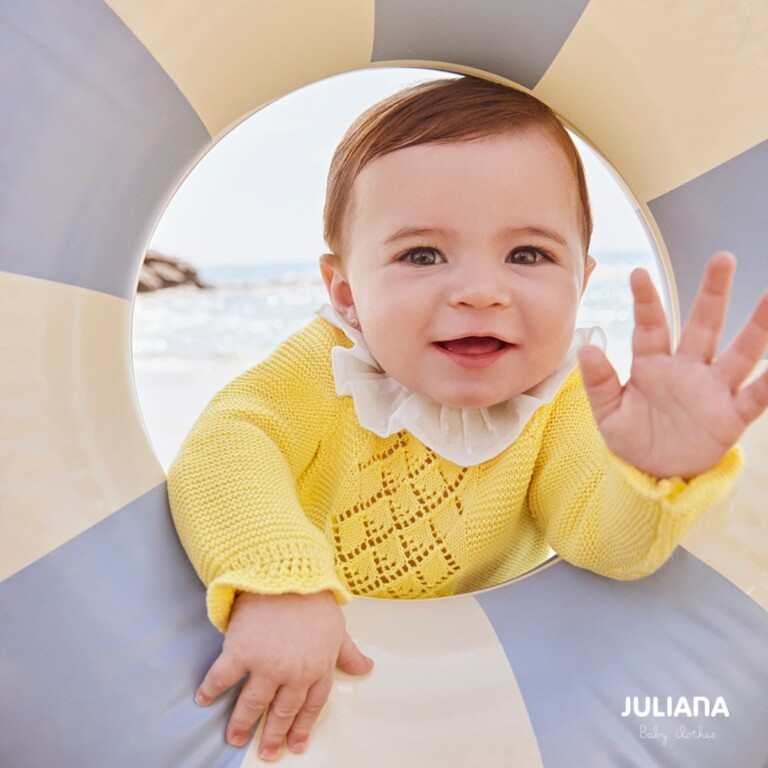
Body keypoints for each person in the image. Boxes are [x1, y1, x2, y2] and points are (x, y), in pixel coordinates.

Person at [167, 76, 768, 762]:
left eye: (528, 254)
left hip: (467, 697)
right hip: (318, 686)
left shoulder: (562, 397)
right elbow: (227, 445)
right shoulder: (326, 366)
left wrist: (654, 470)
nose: (481, 292)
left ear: (581, 278)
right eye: (422, 254)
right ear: (346, 290)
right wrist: (282, 581)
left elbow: (603, 543)